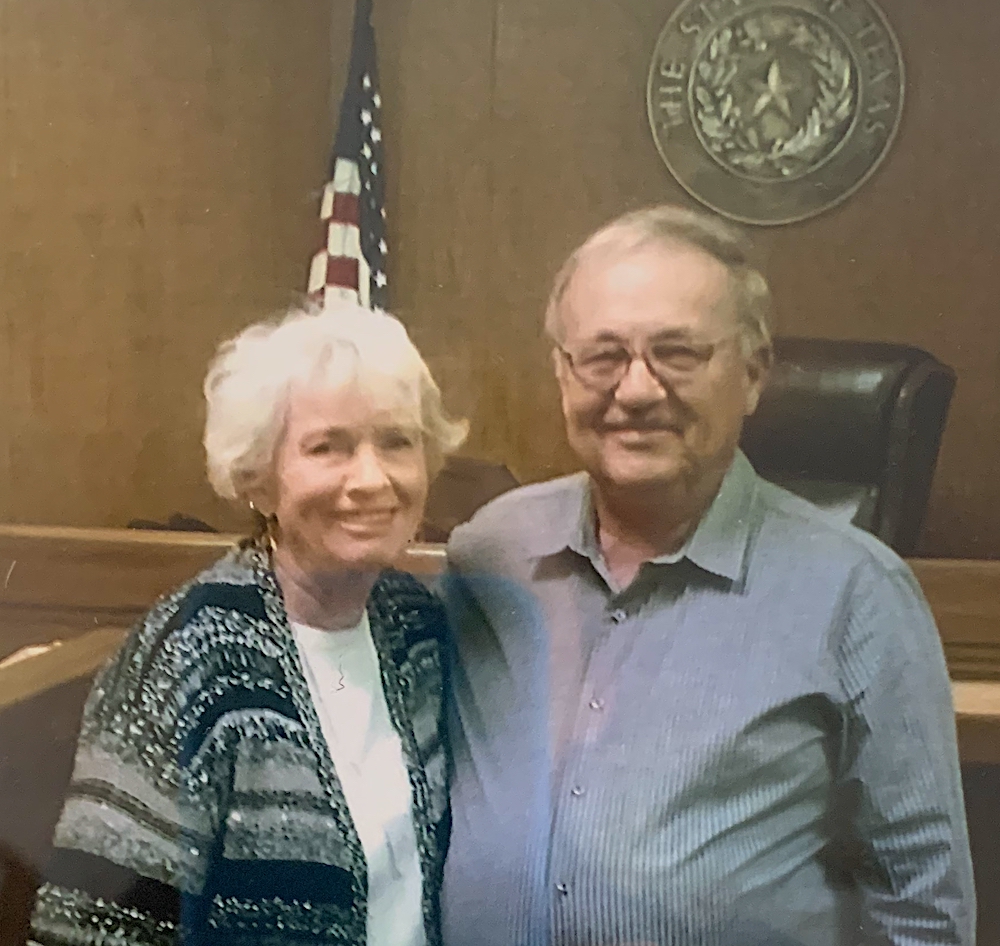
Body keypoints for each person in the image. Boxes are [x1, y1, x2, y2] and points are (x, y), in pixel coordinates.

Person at [441, 206, 975, 946]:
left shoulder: (858, 595)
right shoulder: (490, 554)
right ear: (561, 373)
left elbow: (921, 906)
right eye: (601, 356)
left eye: (678, 353)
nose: (634, 390)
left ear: (753, 373)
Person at [30, 303, 466, 946]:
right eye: (328, 447)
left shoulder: (415, 628)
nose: (372, 479)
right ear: (258, 479)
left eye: (397, 441)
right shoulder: (190, 655)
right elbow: (88, 927)